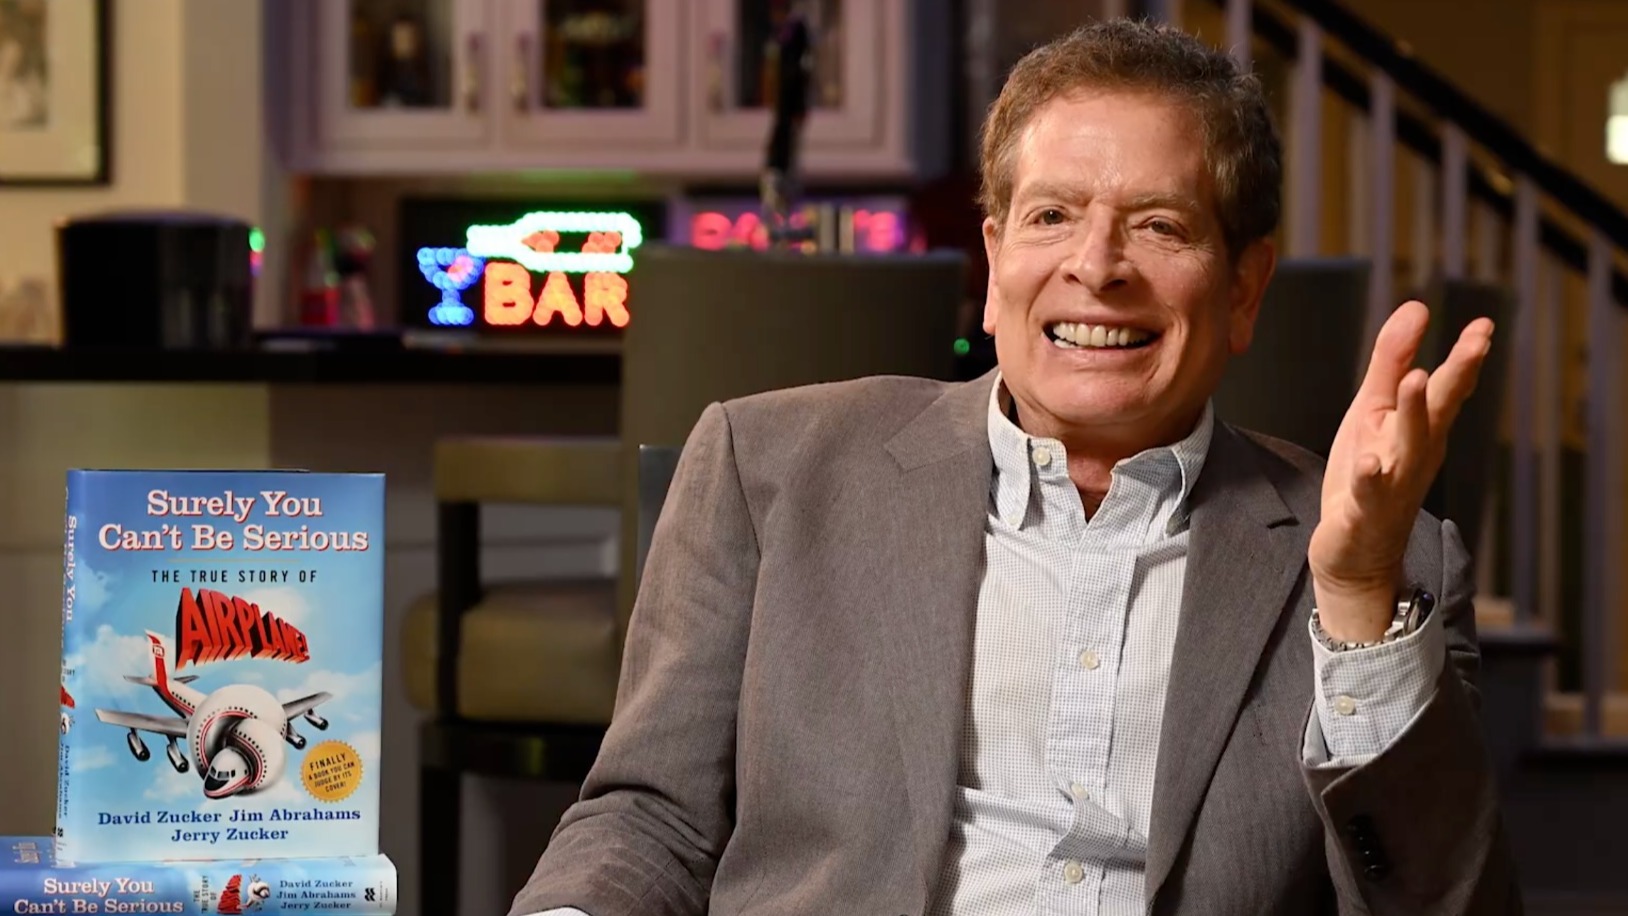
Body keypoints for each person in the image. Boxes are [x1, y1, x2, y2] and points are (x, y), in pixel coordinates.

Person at [510, 18, 1518, 916]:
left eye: (1159, 224)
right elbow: (651, 819)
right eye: (1050, 216)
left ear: (1243, 286)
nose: (1096, 264)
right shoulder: (764, 468)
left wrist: (1349, 597)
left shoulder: (1390, 567)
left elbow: (1439, 899)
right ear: (994, 263)